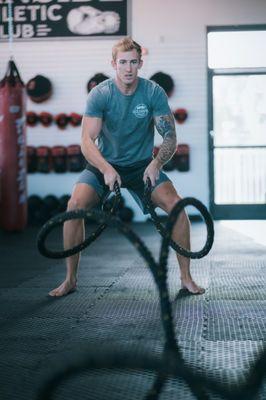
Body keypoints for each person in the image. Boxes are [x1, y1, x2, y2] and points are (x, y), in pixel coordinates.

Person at [49, 37, 205, 297]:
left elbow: (170, 137)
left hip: (143, 165)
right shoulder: (101, 94)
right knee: (74, 206)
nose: (128, 68)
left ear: (140, 63)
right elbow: (87, 142)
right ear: (113, 64)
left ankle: (186, 278)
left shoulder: (153, 92)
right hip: (104, 164)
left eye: (133, 62)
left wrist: (156, 163)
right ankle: (70, 279)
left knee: (177, 207)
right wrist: (107, 169)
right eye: (123, 62)